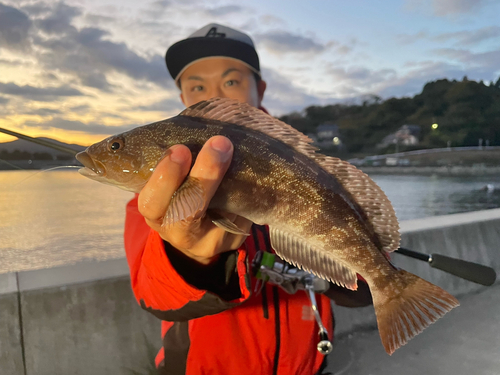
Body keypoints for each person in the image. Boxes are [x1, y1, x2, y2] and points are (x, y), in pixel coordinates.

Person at [124, 23, 372, 375]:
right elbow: (153, 294)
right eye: (197, 86)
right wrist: (192, 258)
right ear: (182, 99)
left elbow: (362, 290)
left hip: (306, 365)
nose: (216, 96)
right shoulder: (152, 195)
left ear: (260, 89)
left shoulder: (307, 168)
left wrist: (337, 264)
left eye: (231, 81)